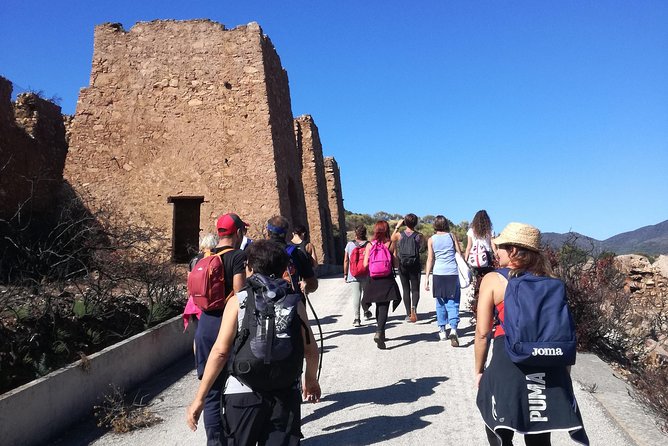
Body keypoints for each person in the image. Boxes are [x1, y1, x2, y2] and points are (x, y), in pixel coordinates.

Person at [186, 240, 321, 445]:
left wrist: (200, 398)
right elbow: (310, 349)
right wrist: (310, 381)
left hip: (243, 392)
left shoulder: (238, 301)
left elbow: (220, 352)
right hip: (285, 391)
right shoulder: (294, 302)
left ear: (249, 268)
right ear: (283, 268)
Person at [474, 223, 589, 445]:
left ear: (513, 251)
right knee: (539, 434)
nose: (496, 252)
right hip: (548, 362)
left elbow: (482, 333)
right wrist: (564, 372)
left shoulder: (493, 280)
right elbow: (562, 332)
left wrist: (479, 372)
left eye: (500, 247)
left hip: (508, 359)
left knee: (499, 428)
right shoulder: (552, 282)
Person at [193, 213, 248, 445]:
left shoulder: (202, 258)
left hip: (205, 324)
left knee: (212, 389)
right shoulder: (237, 256)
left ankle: (215, 442)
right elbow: (239, 293)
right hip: (226, 324)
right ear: (237, 233)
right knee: (236, 386)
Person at [424, 215, 463, 346]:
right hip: (452, 273)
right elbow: (459, 253)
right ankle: (453, 329)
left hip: (438, 273)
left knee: (440, 303)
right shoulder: (452, 236)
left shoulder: (431, 240)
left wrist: (427, 278)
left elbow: (430, 259)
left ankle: (442, 331)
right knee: (453, 302)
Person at [362, 220, 401, 349]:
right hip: (386, 279)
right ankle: (380, 331)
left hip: (373, 279)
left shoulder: (369, 245)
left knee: (378, 306)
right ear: (386, 230)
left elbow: (365, 265)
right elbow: (395, 265)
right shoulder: (390, 244)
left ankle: (380, 331)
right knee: (383, 306)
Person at [266, 216, 318, 296]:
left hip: (264, 304)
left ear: (268, 232)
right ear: (286, 233)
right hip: (292, 303)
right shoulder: (296, 253)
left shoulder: (257, 253)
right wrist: (305, 285)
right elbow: (313, 285)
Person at [464, 210, 496, 324]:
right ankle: (490, 313)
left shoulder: (471, 231)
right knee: (488, 284)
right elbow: (492, 245)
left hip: (475, 260)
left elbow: (468, 247)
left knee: (477, 285)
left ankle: (477, 312)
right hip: (487, 259)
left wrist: (466, 260)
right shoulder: (490, 230)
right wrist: (496, 256)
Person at [391, 213, 424, 322]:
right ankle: (414, 307)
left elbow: (391, 239)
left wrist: (397, 226)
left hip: (403, 264)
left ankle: (408, 314)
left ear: (405, 222)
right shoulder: (419, 236)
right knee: (415, 289)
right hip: (415, 264)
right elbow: (421, 248)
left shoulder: (399, 235)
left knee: (406, 289)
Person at [183, 233, 219, 331]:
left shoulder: (194, 260)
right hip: (210, 302)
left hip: (195, 301)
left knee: (198, 333)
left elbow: (189, 283)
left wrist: (189, 299)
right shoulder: (216, 259)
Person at [343, 224, 372, 327]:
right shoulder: (369, 244)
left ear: (356, 234)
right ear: (365, 233)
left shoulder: (350, 245)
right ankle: (366, 310)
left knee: (356, 296)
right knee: (366, 294)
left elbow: (346, 260)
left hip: (353, 274)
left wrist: (345, 274)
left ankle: (357, 319)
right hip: (367, 273)